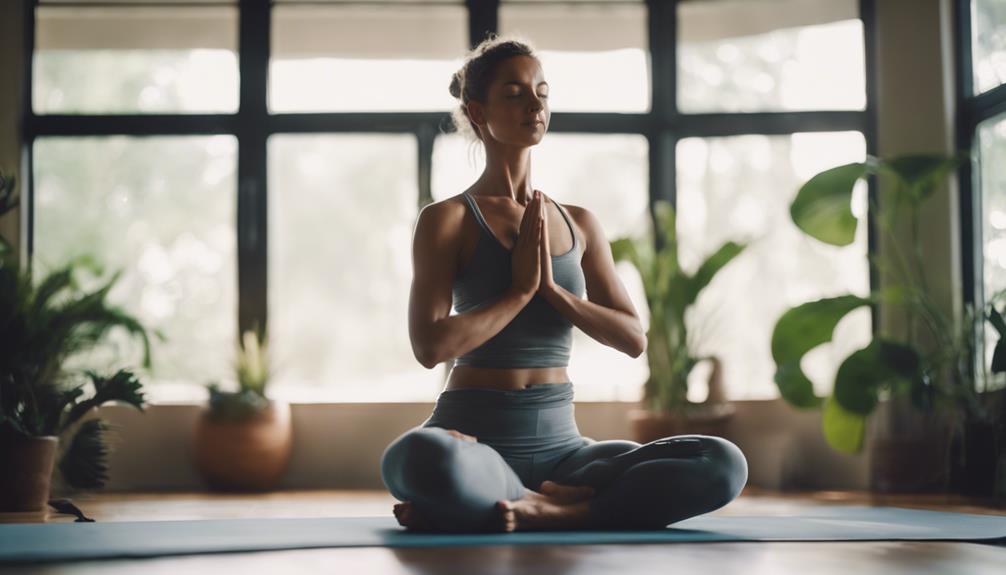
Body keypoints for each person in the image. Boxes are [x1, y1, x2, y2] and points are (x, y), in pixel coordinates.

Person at [380, 35, 748, 533]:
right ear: (478, 111)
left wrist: (556, 294)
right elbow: (429, 346)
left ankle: (533, 507)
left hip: (565, 453)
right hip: (471, 439)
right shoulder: (447, 219)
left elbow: (633, 338)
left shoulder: (579, 222)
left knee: (722, 462)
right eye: (514, 92)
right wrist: (517, 294)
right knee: (418, 457)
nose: (535, 104)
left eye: (543, 91)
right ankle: (542, 503)